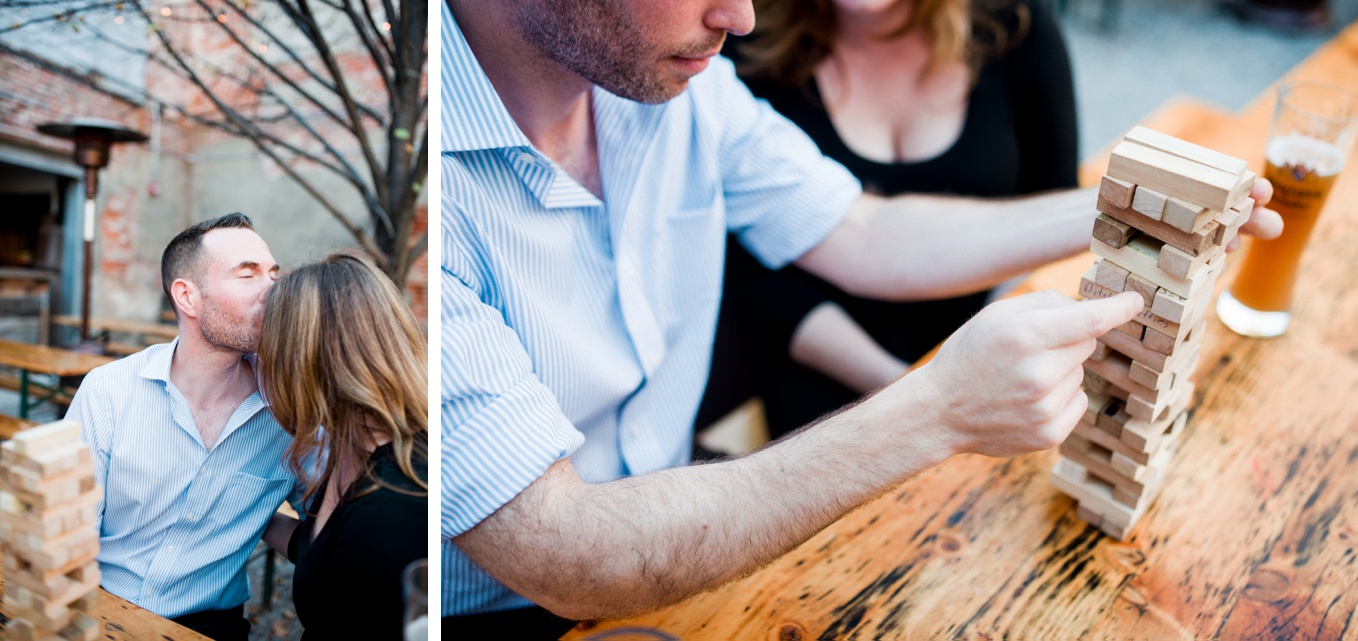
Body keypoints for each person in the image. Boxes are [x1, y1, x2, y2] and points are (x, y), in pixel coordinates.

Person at [442, 0, 1281, 637]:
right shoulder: (393, 198)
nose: (740, 15)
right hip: (481, 608)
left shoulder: (671, 83)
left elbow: (864, 230)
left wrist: (1132, 209)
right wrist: (939, 408)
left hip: (680, 541)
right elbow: (564, 554)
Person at [702, 0, 1083, 436]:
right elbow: (750, 266)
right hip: (831, 391)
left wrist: (988, 361)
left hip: (992, 373)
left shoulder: (1016, 23)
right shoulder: (740, 47)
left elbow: (1049, 203)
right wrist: (921, 392)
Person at [67, 213, 293, 641]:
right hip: (102, 608)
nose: (274, 290)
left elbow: (331, 520)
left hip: (213, 624)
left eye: (273, 274)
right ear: (187, 297)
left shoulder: (291, 406)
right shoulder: (109, 390)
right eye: (248, 275)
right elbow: (68, 538)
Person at [256, 253, 429, 641]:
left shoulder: (395, 504)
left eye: (265, 352)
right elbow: (324, 553)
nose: (260, 366)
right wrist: (255, 514)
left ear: (302, 361)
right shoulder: (352, 445)